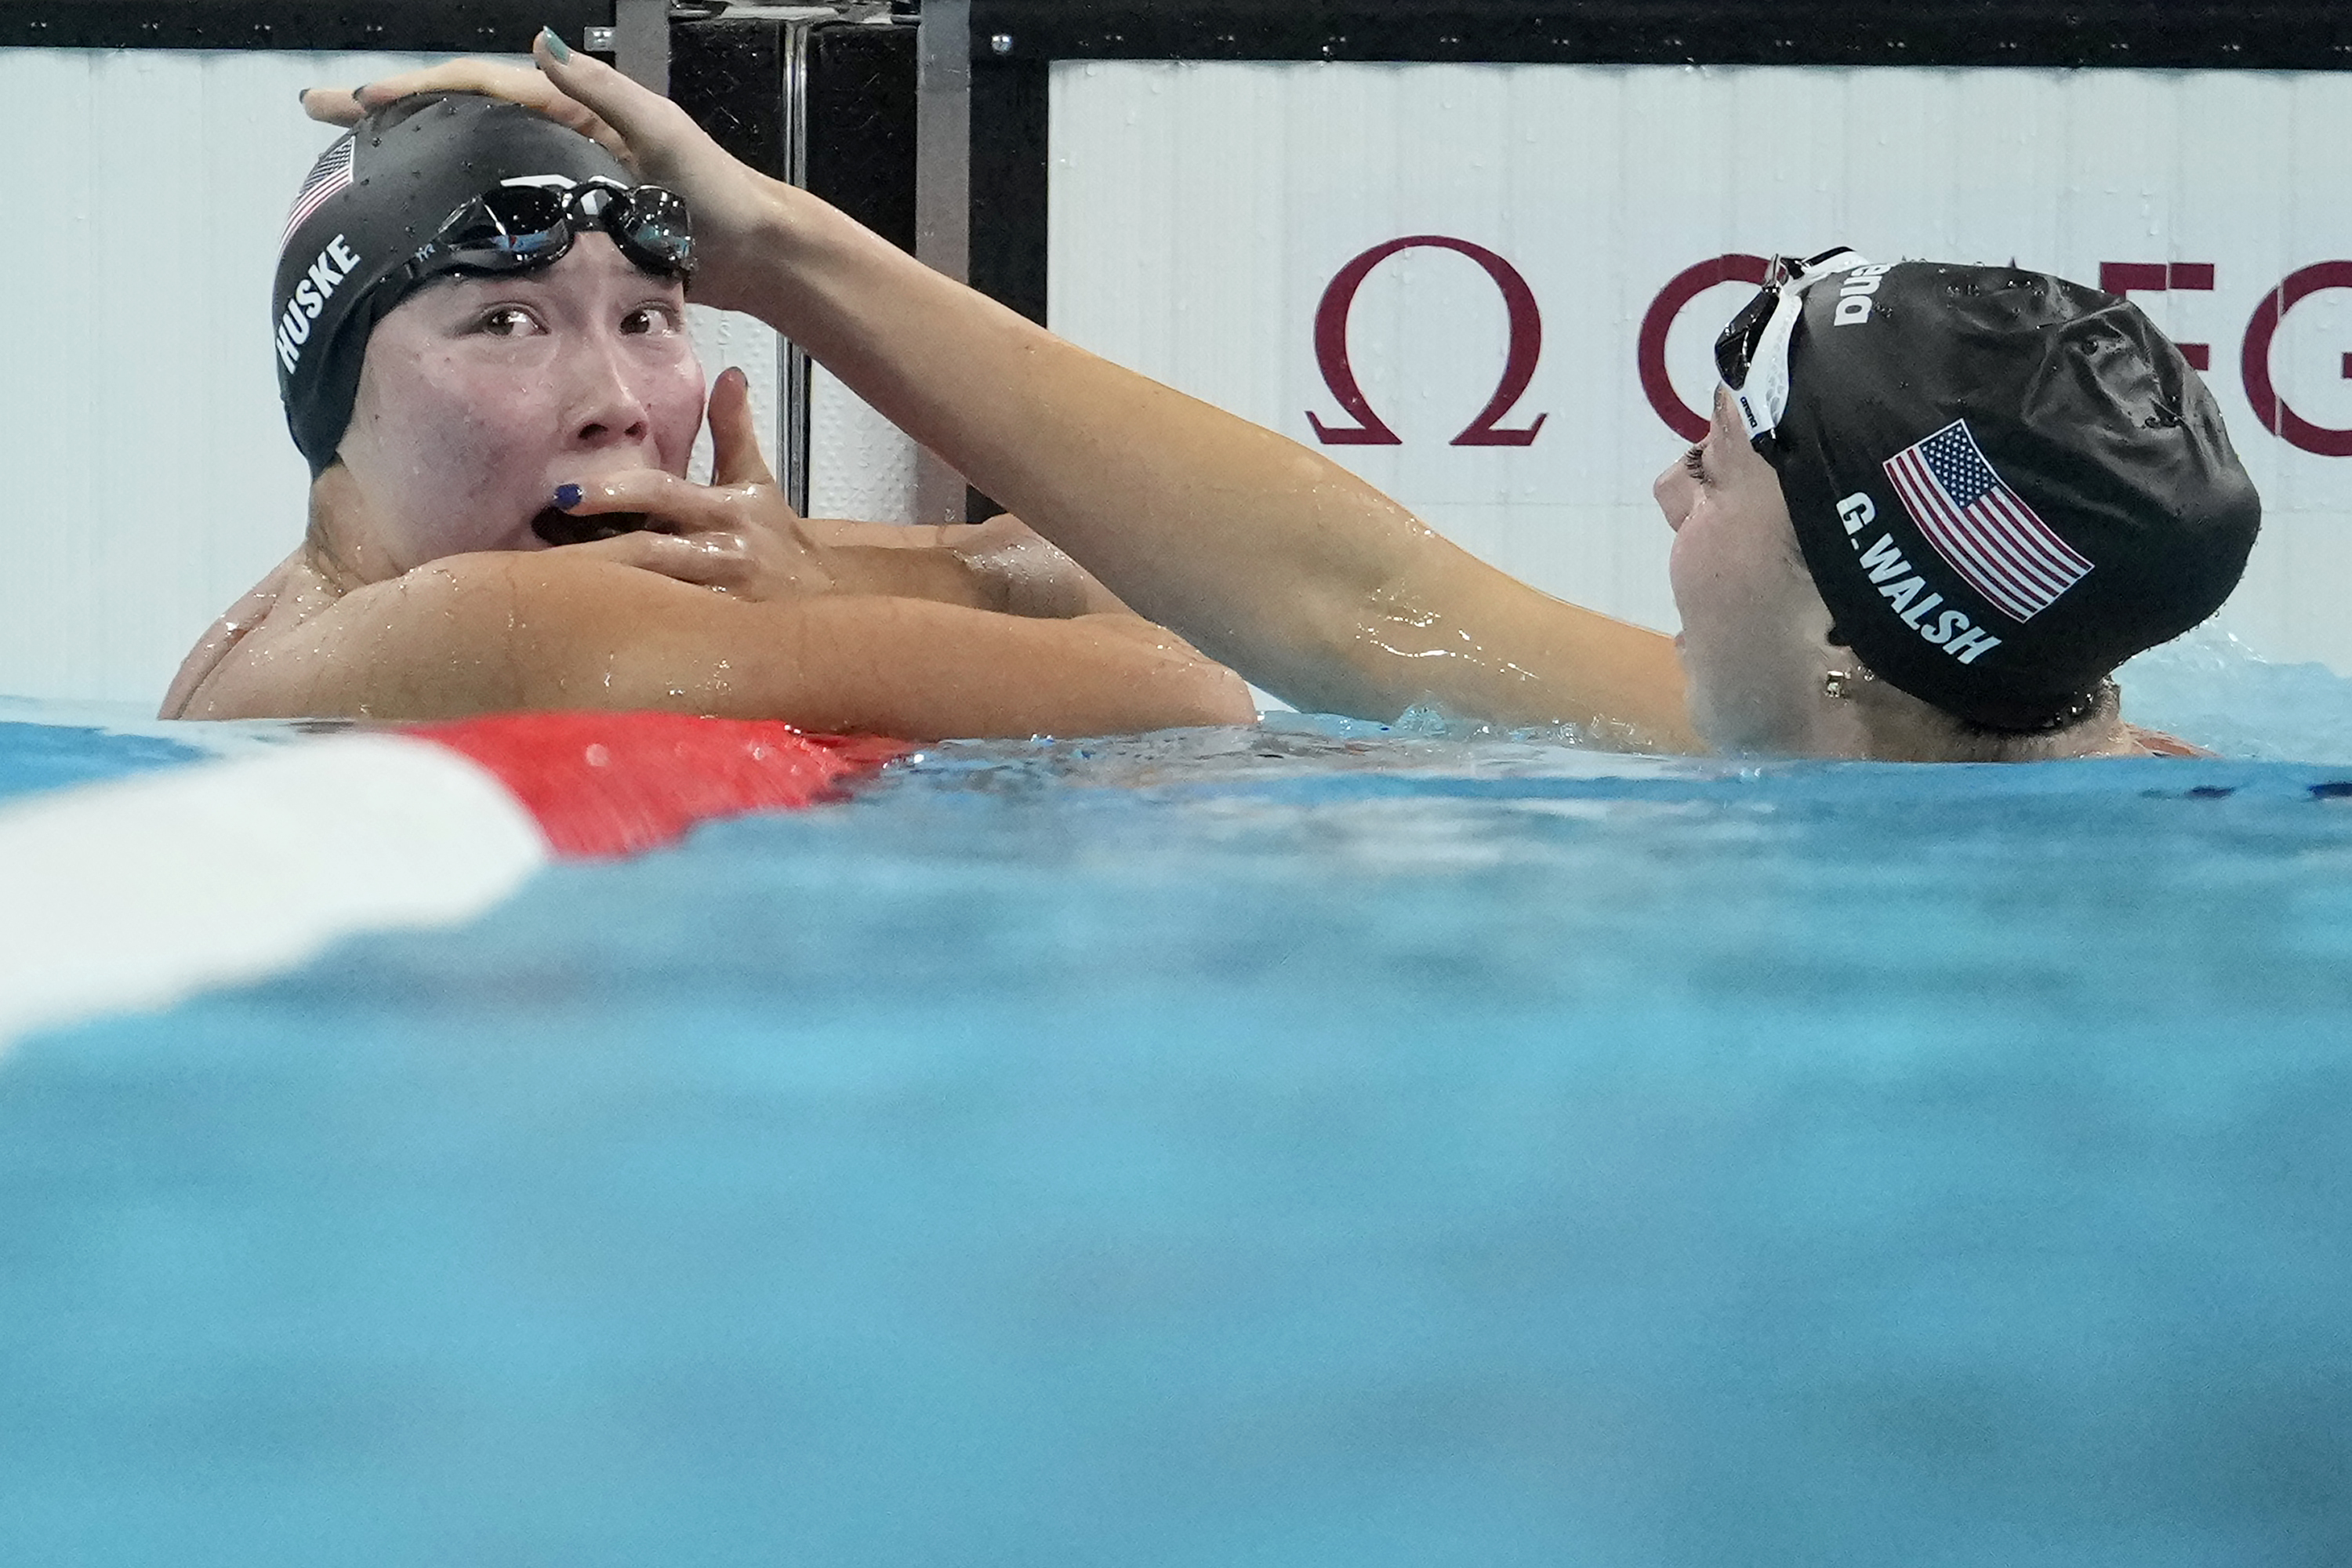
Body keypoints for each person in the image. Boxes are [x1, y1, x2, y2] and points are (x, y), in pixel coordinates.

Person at [299, 35, 2262, 762]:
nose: (1677, 483)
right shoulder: (1916, 729)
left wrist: (838, 619)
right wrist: (785, 250)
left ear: (1854, 630)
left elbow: (1215, 676)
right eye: (499, 319)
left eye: (1733, 457)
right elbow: (1344, 597)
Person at [163, 91, 1254, 737]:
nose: (617, 406)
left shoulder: (276, 630)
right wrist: (815, 596)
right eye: (505, 324)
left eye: (647, 320)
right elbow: (1190, 690)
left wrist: (793, 577)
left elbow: (1044, 563)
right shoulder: (470, 621)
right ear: (332, 390)